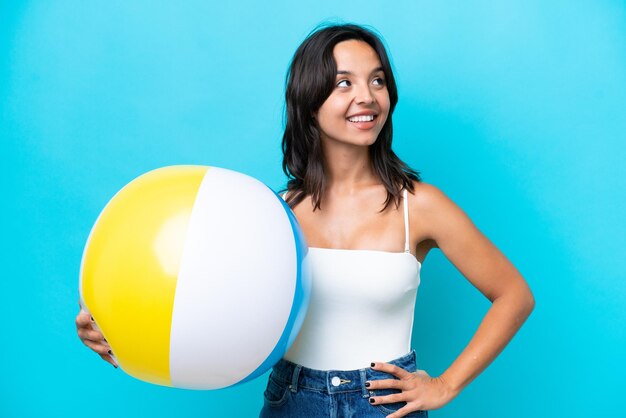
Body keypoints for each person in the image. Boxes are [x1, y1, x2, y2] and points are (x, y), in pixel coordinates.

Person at [76, 23, 535, 417]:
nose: (367, 97)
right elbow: (204, 305)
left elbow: (514, 295)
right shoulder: (270, 214)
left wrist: (445, 385)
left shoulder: (420, 205)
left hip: (383, 406)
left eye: (377, 81)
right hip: (290, 402)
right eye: (344, 83)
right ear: (309, 99)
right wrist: (119, 331)